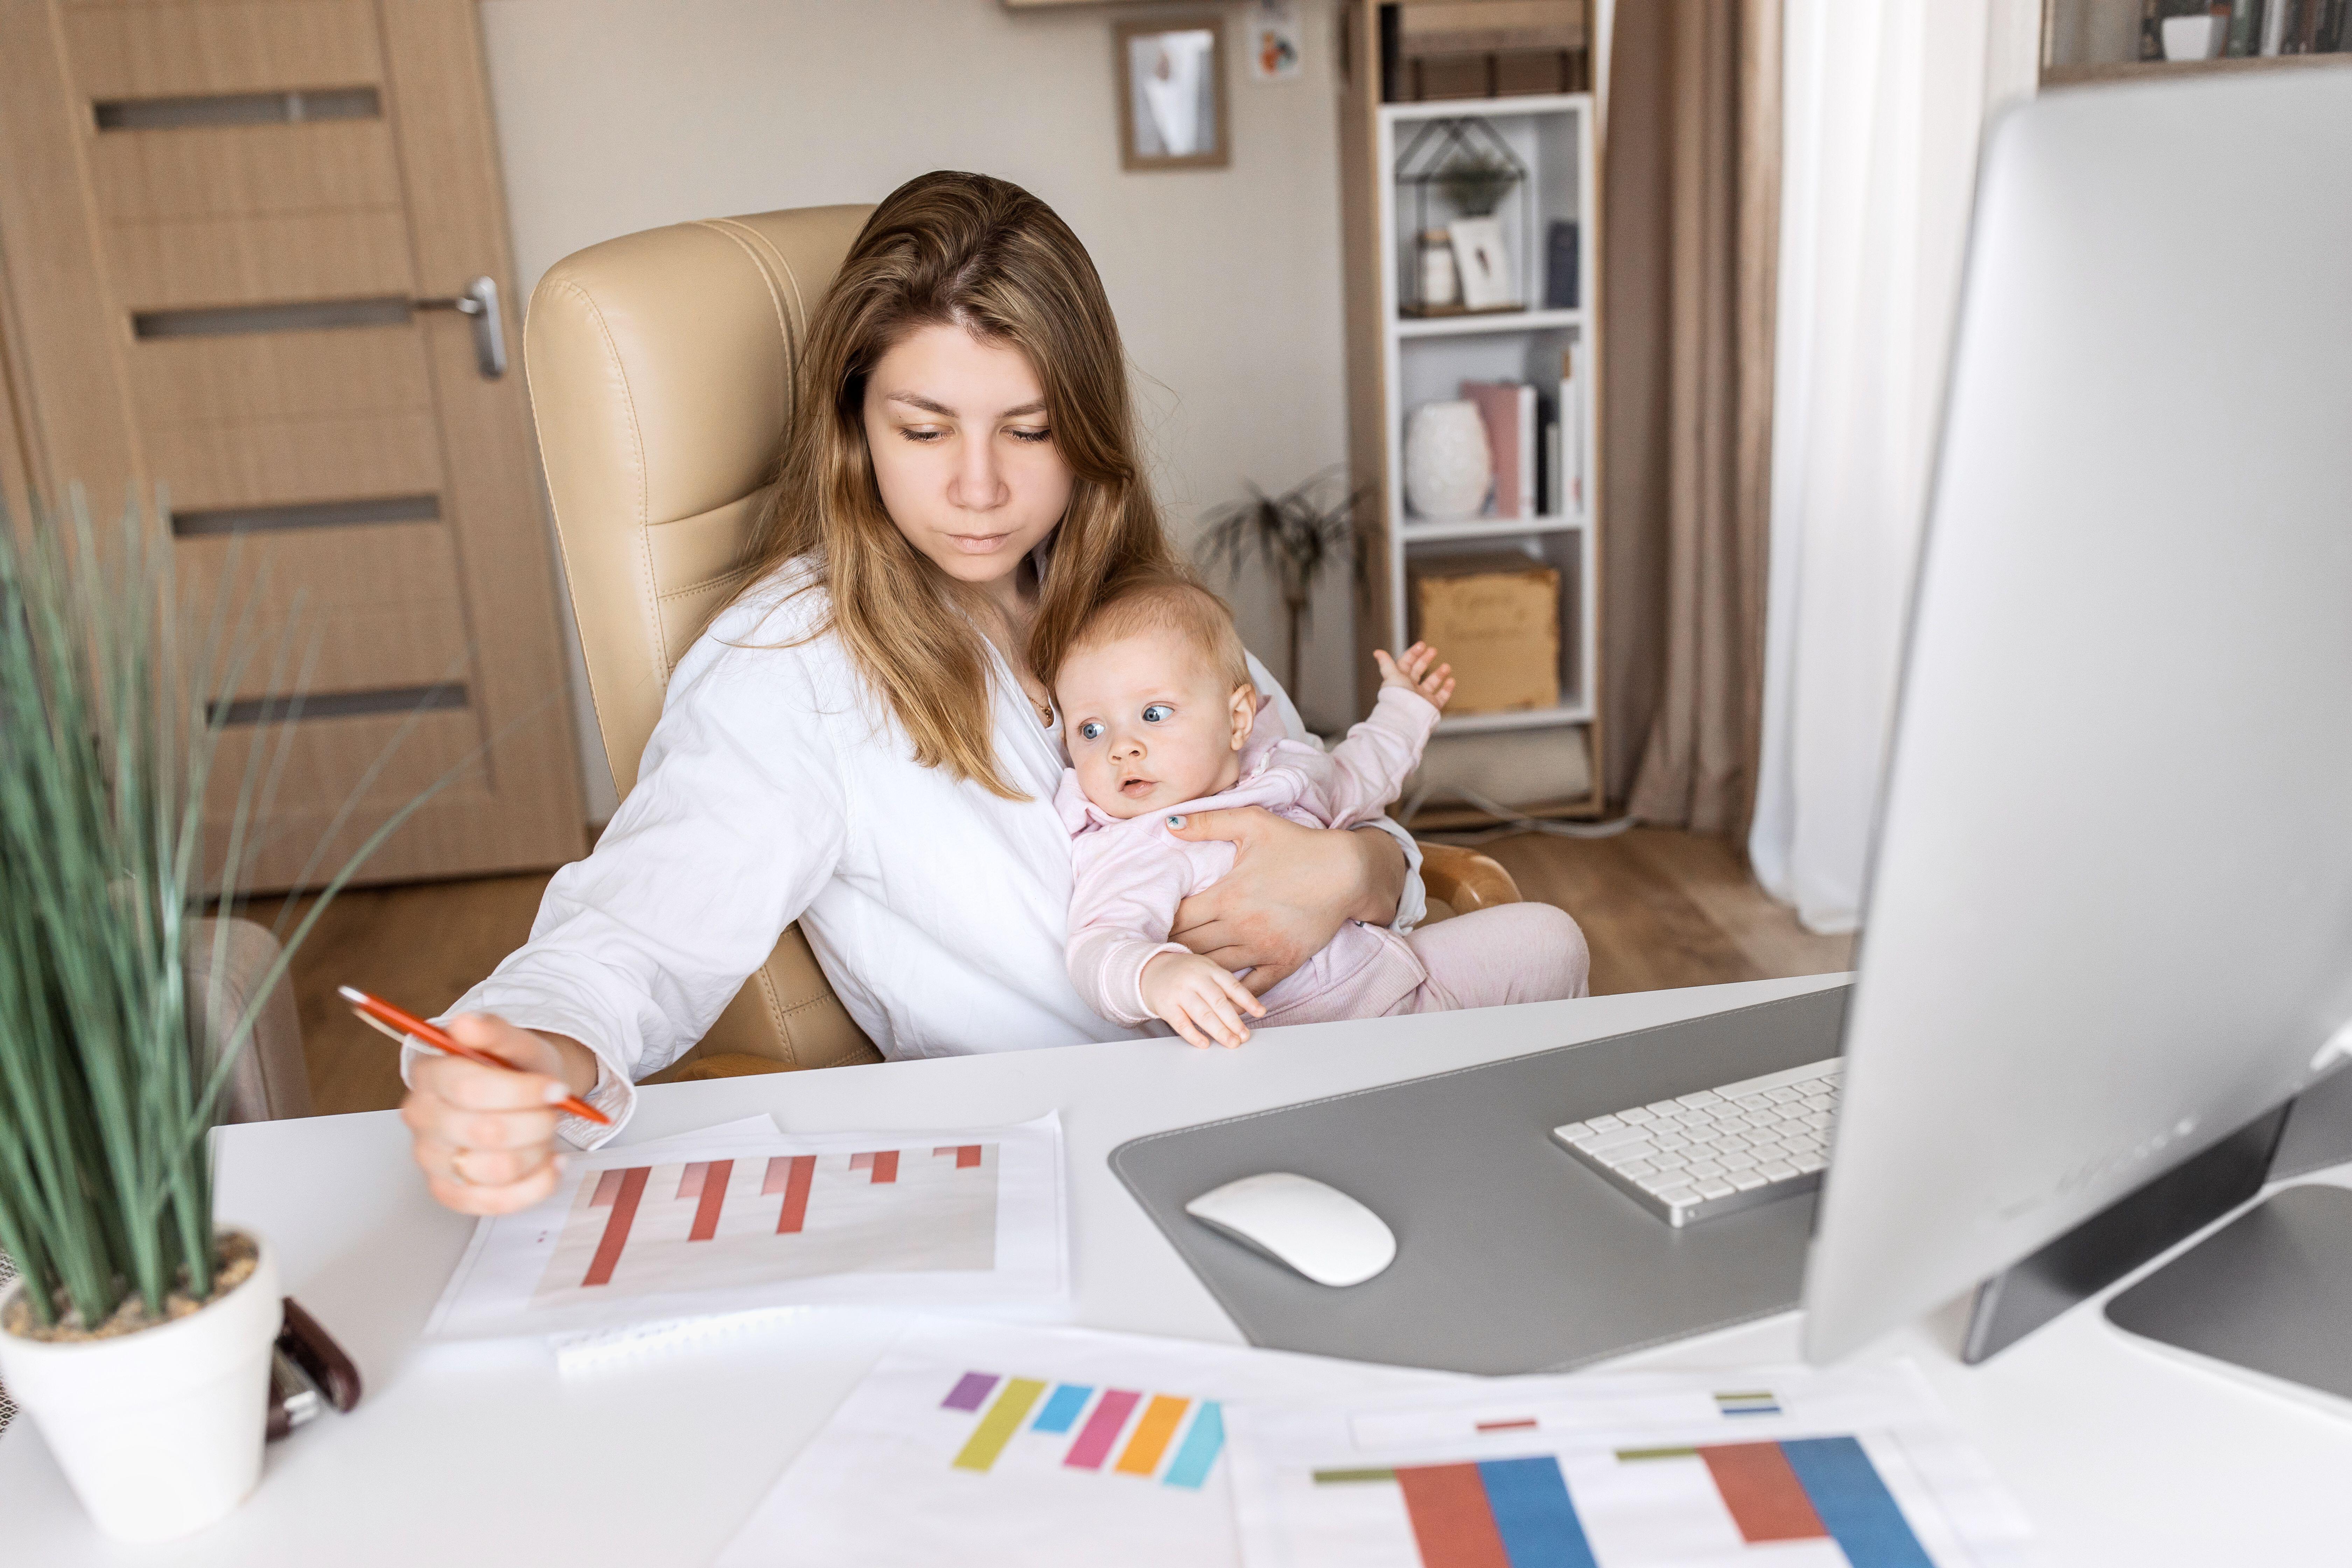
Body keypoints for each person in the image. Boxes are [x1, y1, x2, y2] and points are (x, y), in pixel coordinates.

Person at [400, 172, 1432, 1217]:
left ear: (1086, 431)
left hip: (1333, 1096)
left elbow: (1336, 807)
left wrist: (1359, 866)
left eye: (1028, 432)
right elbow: (635, 935)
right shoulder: (793, 663)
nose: (978, 490)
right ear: (855, 428)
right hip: (1089, 1183)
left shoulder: (1141, 610)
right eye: (926, 430)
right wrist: (522, 1054)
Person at [1054, 577, 1590, 1049]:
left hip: (1401, 985)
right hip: (1286, 1044)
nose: (1121, 747)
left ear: (1237, 718)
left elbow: (1358, 773)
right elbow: (1098, 945)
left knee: (1552, 939)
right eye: (1091, 730)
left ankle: (1574, 1118)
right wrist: (1156, 975)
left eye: (1153, 714)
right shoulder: (1136, 843)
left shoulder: (1281, 770)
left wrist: (1403, 708)